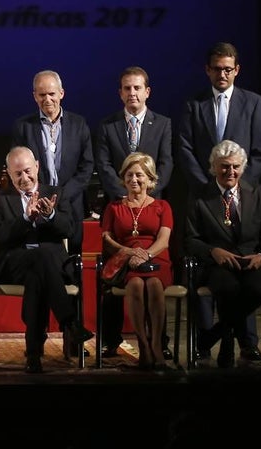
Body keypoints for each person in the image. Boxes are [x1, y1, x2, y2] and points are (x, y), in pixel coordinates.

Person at [174, 42, 261, 360]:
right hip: (204, 194)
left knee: (243, 265)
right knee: (212, 267)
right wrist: (207, 185)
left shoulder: (253, 103)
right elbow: (185, 147)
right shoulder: (194, 104)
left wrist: (240, 185)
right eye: (217, 68)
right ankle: (206, 339)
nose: (222, 74)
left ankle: (246, 341)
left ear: (237, 69)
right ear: (208, 70)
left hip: (242, 193)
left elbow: (259, 150)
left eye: (228, 68)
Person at [0, 146, 93, 373]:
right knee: (40, 258)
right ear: (9, 173)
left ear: (37, 166)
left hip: (48, 265)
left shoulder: (56, 192)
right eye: (18, 174)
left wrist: (51, 215)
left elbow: (69, 230)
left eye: (27, 171)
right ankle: (69, 322)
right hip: (14, 264)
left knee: (39, 269)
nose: (24, 178)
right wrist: (26, 218)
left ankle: (33, 353)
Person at [93, 66, 174, 360]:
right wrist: (127, 194)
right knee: (114, 279)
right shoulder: (107, 125)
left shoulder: (162, 124)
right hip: (121, 214)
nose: (132, 93)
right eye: (127, 88)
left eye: (137, 88)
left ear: (147, 91)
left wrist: (146, 193)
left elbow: (166, 164)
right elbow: (103, 165)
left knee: (152, 282)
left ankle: (158, 343)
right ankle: (111, 340)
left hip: (151, 214)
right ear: (120, 93)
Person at [183, 140, 261, 368]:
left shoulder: (258, 193)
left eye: (236, 166)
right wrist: (212, 251)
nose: (231, 172)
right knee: (227, 288)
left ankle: (218, 334)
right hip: (217, 265)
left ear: (243, 168)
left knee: (256, 288)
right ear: (214, 167)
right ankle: (230, 343)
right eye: (224, 166)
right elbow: (190, 239)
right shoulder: (200, 197)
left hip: (252, 262)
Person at [99, 152, 174, 370]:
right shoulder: (114, 207)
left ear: (150, 179)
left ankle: (157, 344)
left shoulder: (162, 206)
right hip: (126, 261)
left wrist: (146, 254)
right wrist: (128, 253)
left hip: (156, 258)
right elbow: (107, 238)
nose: (134, 180)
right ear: (123, 179)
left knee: (153, 284)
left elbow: (164, 240)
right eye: (129, 175)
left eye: (139, 175)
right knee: (135, 284)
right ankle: (143, 346)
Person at [10, 70, 94, 258]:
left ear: (61, 94)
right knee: (43, 258)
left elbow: (87, 166)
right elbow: (18, 166)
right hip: (36, 204)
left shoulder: (79, 124)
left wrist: (62, 195)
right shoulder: (22, 127)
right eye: (42, 95)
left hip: (72, 204)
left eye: (51, 94)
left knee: (73, 260)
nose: (47, 99)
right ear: (34, 96)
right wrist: (43, 196)